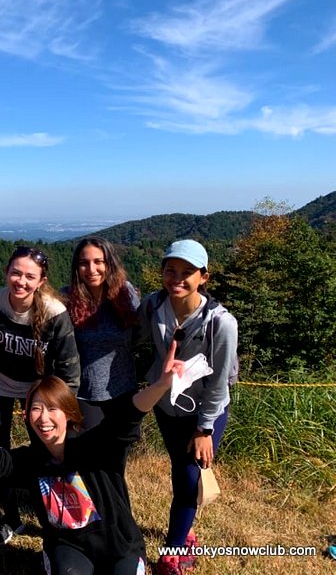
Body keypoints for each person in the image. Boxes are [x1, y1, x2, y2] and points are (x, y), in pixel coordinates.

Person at [0, 341, 186, 575]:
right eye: (35, 409)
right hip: (70, 547)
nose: (43, 418)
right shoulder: (31, 462)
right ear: (26, 415)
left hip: (120, 545)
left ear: (69, 414)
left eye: (52, 409)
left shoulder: (96, 448)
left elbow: (128, 417)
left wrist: (161, 385)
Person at [0, 245, 81, 544]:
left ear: (41, 280)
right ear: (6, 273)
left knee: (46, 455)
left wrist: (56, 408)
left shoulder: (53, 313)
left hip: (37, 393)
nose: (21, 281)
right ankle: (11, 518)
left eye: (29, 276)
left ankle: (54, 516)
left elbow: (69, 368)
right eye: (15, 273)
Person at [136, 239, 238, 575]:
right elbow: (131, 336)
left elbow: (220, 381)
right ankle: (186, 532)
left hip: (204, 411)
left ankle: (172, 553)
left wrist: (204, 429)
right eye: (170, 270)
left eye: (187, 272)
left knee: (187, 477)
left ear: (204, 277)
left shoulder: (220, 323)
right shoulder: (153, 305)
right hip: (167, 406)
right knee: (181, 471)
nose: (176, 278)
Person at [63, 237, 140, 430]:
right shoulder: (66, 299)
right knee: (91, 453)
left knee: (119, 453)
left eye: (98, 262)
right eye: (84, 263)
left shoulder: (126, 293)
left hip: (124, 389)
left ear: (109, 263)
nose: (91, 269)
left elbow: (141, 331)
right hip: (83, 394)